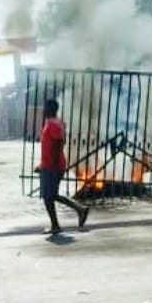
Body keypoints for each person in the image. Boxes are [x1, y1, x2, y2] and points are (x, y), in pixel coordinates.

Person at [38, 99, 90, 235]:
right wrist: (43, 164)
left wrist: (52, 163)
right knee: (50, 195)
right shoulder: (55, 123)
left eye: (45, 108)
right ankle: (78, 210)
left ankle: (76, 212)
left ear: (50, 109)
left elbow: (58, 143)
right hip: (50, 164)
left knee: (48, 196)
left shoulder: (53, 124)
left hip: (53, 166)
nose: (43, 110)